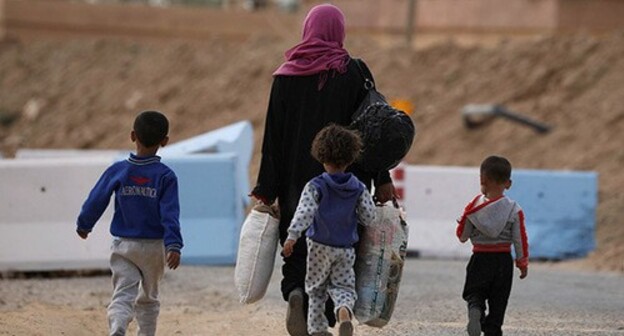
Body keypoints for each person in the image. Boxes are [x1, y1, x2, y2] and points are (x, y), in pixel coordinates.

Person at [250, 3, 396, 336]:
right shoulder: (357, 73)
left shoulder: (285, 75)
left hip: (295, 180)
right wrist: (382, 177)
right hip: (348, 178)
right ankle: (334, 310)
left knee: (298, 242)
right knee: (342, 248)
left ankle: (297, 293)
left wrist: (267, 190)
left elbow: (274, 137)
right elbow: (375, 130)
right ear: (339, 31)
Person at [76, 110, 183, 336]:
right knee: (149, 297)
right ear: (165, 142)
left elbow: (97, 198)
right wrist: (174, 244)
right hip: (154, 248)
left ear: (133, 135)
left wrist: (85, 224)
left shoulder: (118, 170)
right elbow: (170, 213)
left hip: (124, 245)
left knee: (123, 293)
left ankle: (118, 326)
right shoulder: (166, 176)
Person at [282, 124, 376, 336]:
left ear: (321, 157)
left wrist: (292, 236)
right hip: (345, 247)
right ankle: (343, 313)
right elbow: (369, 216)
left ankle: (317, 330)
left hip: (317, 246)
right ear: (351, 158)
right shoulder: (359, 187)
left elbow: (304, 213)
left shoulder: (316, 185)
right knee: (343, 287)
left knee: (316, 289)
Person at [456, 155, 529, 336]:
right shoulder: (514, 209)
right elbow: (520, 238)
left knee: (475, 293)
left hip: (479, 259)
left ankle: (476, 310)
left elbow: (462, 236)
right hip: (502, 262)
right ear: (508, 183)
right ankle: (492, 330)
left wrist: (464, 221)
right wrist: (522, 262)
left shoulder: (474, 207)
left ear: (482, 180)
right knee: (498, 305)